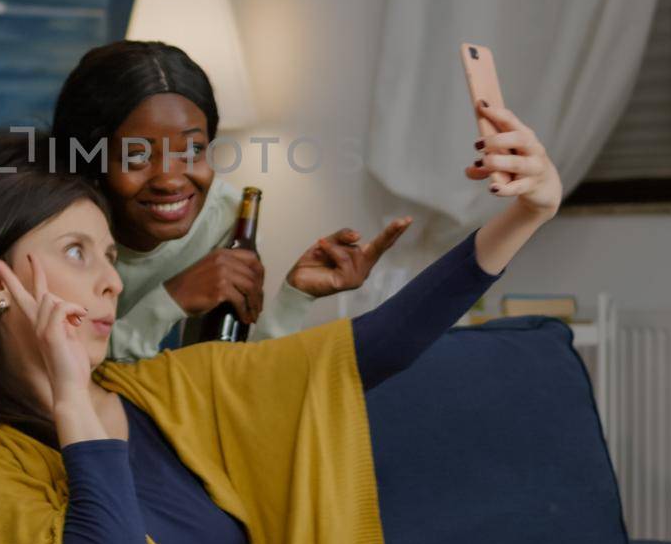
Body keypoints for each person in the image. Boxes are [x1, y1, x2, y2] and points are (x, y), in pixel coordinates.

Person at [0, 99, 562, 544]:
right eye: (77, 253)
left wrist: (527, 215)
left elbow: (374, 349)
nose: (111, 280)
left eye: (110, 257)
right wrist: (73, 405)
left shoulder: (166, 390)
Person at [48, 40, 407, 359]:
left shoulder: (226, 220)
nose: (171, 179)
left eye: (193, 149)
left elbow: (223, 380)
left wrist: (296, 296)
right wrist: (170, 300)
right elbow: (61, 362)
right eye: (137, 155)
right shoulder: (54, 225)